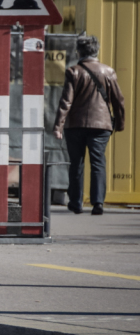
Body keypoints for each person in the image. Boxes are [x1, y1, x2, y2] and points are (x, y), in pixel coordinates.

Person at [54, 35, 126, 215]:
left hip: (75, 125)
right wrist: (120, 123)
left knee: (76, 163)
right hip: (101, 125)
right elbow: (119, 101)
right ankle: (98, 202)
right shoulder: (108, 72)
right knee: (98, 162)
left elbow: (66, 102)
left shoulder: (73, 71)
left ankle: (76, 203)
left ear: (78, 52)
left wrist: (58, 126)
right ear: (97, 51)